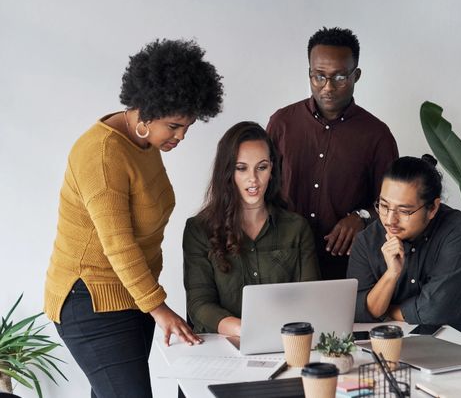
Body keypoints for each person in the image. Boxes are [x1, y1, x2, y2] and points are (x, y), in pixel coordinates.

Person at [44, 39, 224, 397]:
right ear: (147, 109)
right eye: (174, 126)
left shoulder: (143, 141)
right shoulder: (102, 155)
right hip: (90, 299)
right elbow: (118, 244)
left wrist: (150, 303)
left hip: (132, 296)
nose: (181, 136)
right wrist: (160, 308)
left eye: (187, 126)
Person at [267, 27, 398, 280]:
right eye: (319, 76)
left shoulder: (377, 135)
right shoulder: (282, 123)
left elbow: (392, 204)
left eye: (339, 77)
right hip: (282, 262)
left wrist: (361, 217)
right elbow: (259, 187)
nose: (327, 87)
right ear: (309, 73)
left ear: (356, 75)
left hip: (346, 266)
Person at [346, 155, 461, 353]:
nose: (390, 219)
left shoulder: (458, 233)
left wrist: (385, 310)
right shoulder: (367, 240)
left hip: (459, 349)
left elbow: (435, 311)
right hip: (389, 350)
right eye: (384, 206)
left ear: (433, 208)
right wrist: (391, 274)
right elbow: (360, 311)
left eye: (404, 211)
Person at [183, 121, 321, 336]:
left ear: (272, 169)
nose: (253, 179)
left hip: (284, 340)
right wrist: (246, 330)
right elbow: (199, 304)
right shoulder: (198, 229)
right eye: (241, 168)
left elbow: (310, 297)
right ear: (227, 172)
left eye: (262, 167)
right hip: (222, 346)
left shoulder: (296, 228)